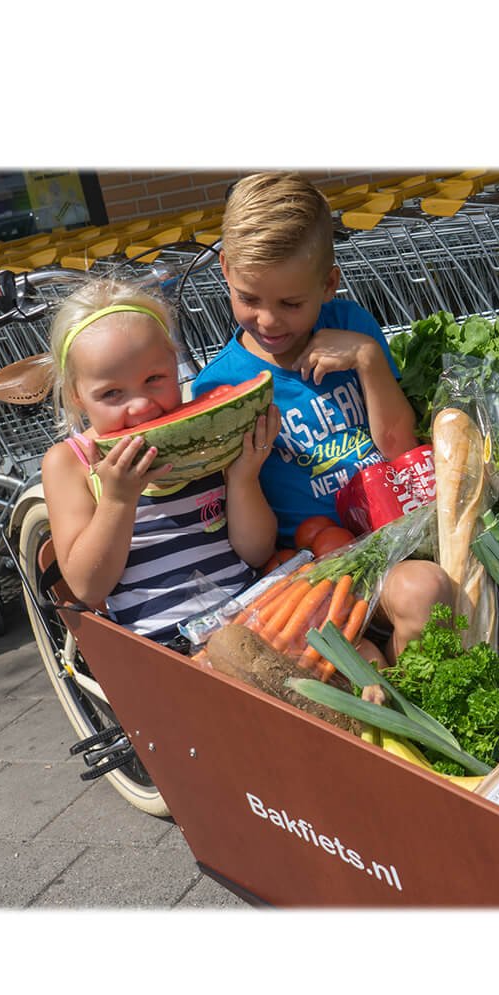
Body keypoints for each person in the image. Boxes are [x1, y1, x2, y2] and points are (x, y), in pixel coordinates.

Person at [192, 171, 453, 662]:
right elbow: (250, 547)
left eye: (291, 303)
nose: (268, 321)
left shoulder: (352, 325)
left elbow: (400, 447)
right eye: (249, 299)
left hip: (396, 535)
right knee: (423, 591)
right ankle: (401, 724)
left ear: (329, 283)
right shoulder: (220, 389)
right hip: (314, 572)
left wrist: (368, 360)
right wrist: (243, 475)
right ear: (225, 269)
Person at [39, 280, 279, 645]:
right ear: (77, 396)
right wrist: (118, 501)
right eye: (111, 393)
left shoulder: (206, 434)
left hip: (258, 624)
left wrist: (244, 478)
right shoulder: (68, 465)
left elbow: (257, 551)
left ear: (174, 364)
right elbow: (88, 587)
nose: (141, 406)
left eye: (154, 379)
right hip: (167, 651)